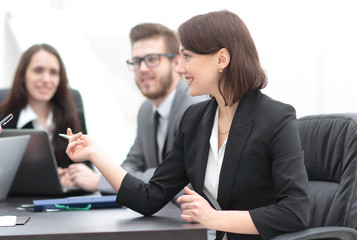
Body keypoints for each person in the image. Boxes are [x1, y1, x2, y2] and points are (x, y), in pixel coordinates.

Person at [65, 10, 311, 240]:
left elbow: (295, 212)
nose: (180, 67)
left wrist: (214, 218)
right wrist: (95, 153)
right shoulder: (195, 120)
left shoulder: (276, 118)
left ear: (221, 59)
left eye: (187, 57)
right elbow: (149, 198)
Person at [66, 23, 205, 193]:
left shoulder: (194, 107)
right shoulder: (146, 110)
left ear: (176, 62)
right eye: (137, 61)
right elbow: (133, 162)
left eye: (152, 59)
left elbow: (175, 175)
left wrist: (100, 181)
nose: (143, 69)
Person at [0, 43, 91, 188]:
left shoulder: (72, 109)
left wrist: (71, 177)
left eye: (54, 72)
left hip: (64, 202)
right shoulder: (4, 115)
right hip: (16, 201)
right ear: (23, 75)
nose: (46, 79)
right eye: (38, 70)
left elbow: (86, 164)